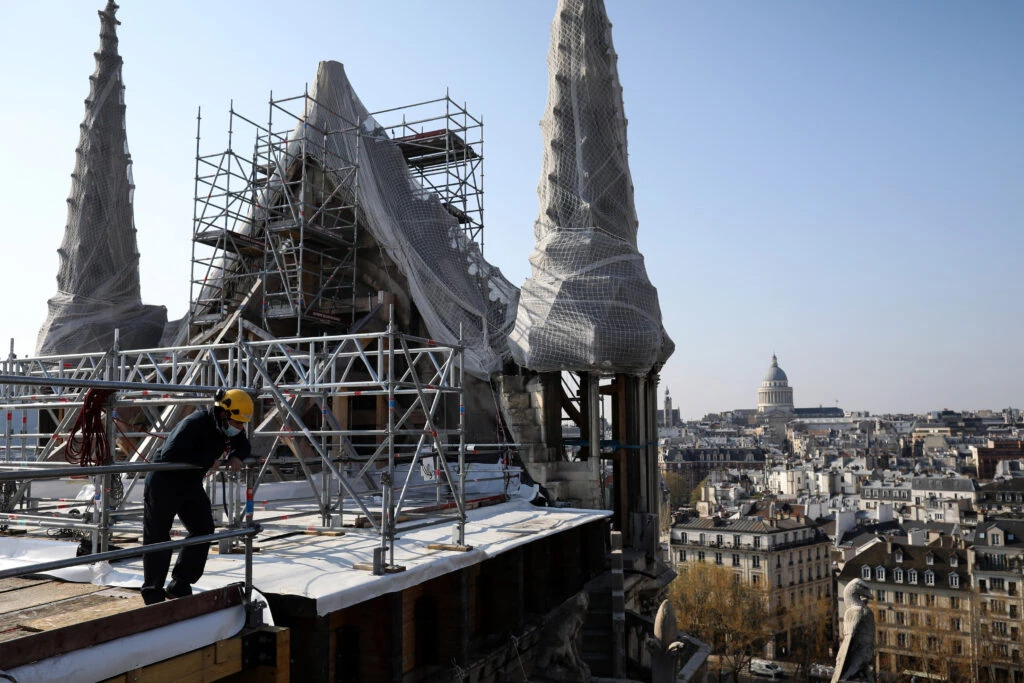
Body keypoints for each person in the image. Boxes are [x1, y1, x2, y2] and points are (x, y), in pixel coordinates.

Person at [141, 389, 254, 605]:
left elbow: (243, 444)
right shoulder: (195, 423)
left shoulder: (228, 425)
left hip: (190, 482)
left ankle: (180, 583)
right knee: (158, 535)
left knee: (203, 528)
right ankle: (153, 593)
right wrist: (208, 460)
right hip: (164, 481)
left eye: (242, 424)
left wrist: (237, 456)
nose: (239, 428)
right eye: (237, 423)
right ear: (223, 414)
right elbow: (171, 453)